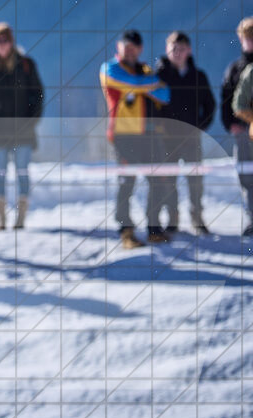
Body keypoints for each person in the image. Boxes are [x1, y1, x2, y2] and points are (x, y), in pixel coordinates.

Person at [99, 30, 171, 249]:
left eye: (134, 47)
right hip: (123, 135)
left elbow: (165, 95)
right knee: (126, 182)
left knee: (158, 181)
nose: (129, 51)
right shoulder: (109, 68)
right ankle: (126, 231)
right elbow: (133, 83)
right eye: (126, 46)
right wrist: (147, 84)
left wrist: (139, 84)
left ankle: (153, 228)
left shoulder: (144, 69)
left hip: (148, 135)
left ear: (140, 49)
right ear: (118, 47)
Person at [0, 23, 43, 231]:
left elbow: (38, 94)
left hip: (23, 130)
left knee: (22, 171)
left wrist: (31, 120)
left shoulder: (25, 64)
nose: (2, 45)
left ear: (11, 41)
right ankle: (1, 218)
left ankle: (21, 216)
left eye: (5, 40)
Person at [154, 32, 215, 235]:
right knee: (169, 178)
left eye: (181, 49)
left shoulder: (198, 76)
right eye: (173, 49)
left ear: (188, 50)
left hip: (191, 138)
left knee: (195, 179)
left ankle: (197, 215)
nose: (177, 53)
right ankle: (173, 216)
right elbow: (152, 107)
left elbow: (210, 105)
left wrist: (200, 126)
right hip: (167, 138)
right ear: (167, 50)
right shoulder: (160, 77)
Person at [222, 17, 253, 237]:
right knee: (247, 177)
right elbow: (227, 100)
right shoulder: (236, 69)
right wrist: (231, 124)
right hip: (244, 132)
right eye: (247, 37)